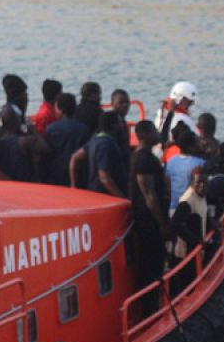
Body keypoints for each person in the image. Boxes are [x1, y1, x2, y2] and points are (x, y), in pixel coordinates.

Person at [126, 120, 168, 313]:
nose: (157, 133)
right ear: (145, 135)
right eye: (153, 131)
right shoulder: (143, 160)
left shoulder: (141, 157)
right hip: (148, 220)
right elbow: (149, 194)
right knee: (151, 262)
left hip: (147, 217)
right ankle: (151, 307)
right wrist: (161, 224)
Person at [72, 111, 130, 196]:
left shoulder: (95, 139)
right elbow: (104, 177)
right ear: (113, 126)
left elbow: (74, 158)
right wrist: (121, 197)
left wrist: (73, 186)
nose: (123, 125)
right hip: (105, 195)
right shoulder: (105, 144)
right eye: (120, 122)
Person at [42, 93, 90, 186]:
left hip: (56, 174)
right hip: (78, 175)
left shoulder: (51, 129)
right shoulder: (84, 129)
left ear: (61, 110)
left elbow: (46, 155)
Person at [164, 125, 207, 210]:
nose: (201, 144)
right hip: (192, 210)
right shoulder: (200, 163)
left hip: (173, 207)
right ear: (192, 147)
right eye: (198, 142)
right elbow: (201, 191)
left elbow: (167, 186)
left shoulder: (171, 161)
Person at [155, 81, 199, 149]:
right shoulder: (183, 119)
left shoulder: (161, 113)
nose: (191, 105)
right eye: (190, 102)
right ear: (180, 100)